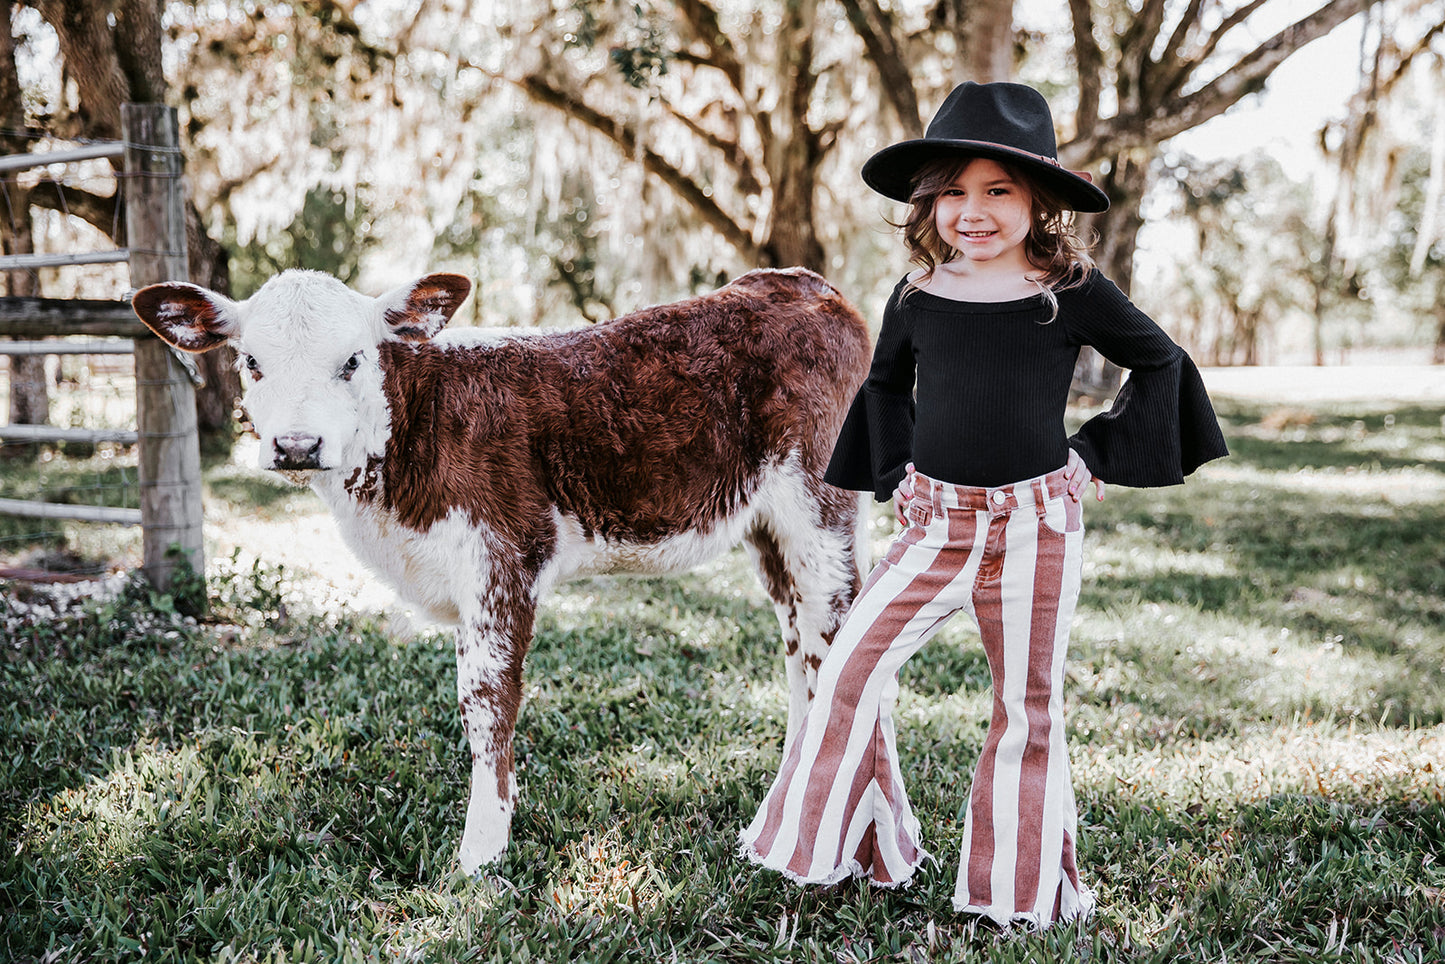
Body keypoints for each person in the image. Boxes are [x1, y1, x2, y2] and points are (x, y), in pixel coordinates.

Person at [737, 81, 1228, 930]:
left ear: (1036, 201)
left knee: (1025, 710)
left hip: (1037, 524)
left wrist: (1095, 454)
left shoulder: (1069, 288)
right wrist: (896, 475)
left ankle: (1015, 892)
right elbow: (886, 385)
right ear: (927, 204)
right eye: (954, 192)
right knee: (851, 665)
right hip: (936, 524)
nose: (974, 211)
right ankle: (863, 846)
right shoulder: (918, 294)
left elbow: (1162, 361)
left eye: (997, 190)